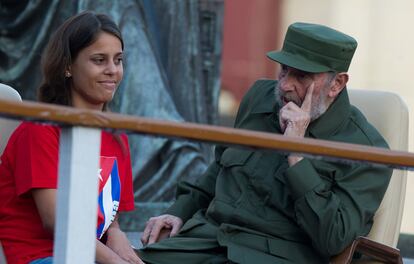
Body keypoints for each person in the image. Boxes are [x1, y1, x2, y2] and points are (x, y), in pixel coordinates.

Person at [137, 22, 392, 263]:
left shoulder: (367, 149)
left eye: (301, 76)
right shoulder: (261, 97)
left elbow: (333, 239)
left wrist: (296, 152)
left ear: (336, 83)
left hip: (274, 256)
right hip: (208, 241)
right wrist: (179, 211)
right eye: (284, 70)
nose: (284, 86)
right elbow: (219, 169)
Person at [0, 11, 144, 264]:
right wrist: (113, 261)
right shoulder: (40, 129)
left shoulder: (117, 136)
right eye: (99, 60)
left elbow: (107, 209)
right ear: (67, 66)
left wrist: (115, 232)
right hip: (41, 257)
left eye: (118, 60)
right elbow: (57, 221)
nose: (112, 70)